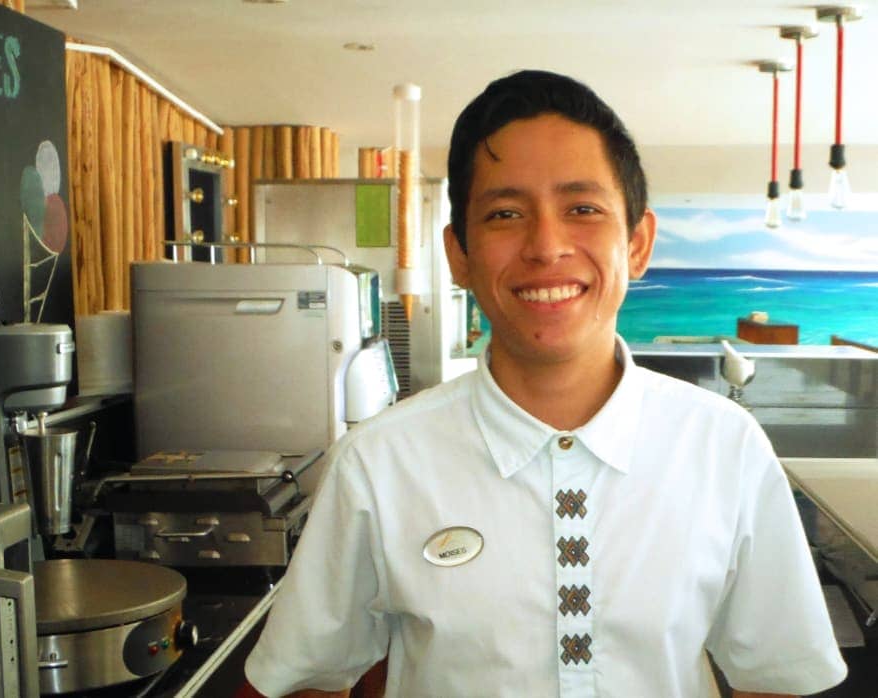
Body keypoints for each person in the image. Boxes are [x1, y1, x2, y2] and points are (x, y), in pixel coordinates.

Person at [243, 70, 847, 697]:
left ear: (637, 244)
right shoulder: (378, 462)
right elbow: (309, 681)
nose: (546, 246)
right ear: (459, 255)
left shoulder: (726, 447)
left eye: (582, 209)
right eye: (505, 213)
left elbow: (774, 679)